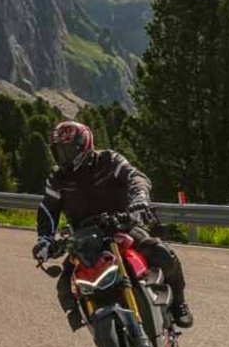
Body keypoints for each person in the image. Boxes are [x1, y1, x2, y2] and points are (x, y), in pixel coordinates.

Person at [31, 120, 193, 329]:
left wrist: (140, 199)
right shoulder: (57, 178)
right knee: (65, 287)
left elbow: (135, 176)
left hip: (121, 224)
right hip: (84, 237)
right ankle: (95, 326)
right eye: (59, 151)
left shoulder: (108, 160)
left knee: (163, 253)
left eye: (69, 150)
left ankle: (179, 304)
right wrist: (44, 240)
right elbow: (47, 209)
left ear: (84, 145)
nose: (64, 156)